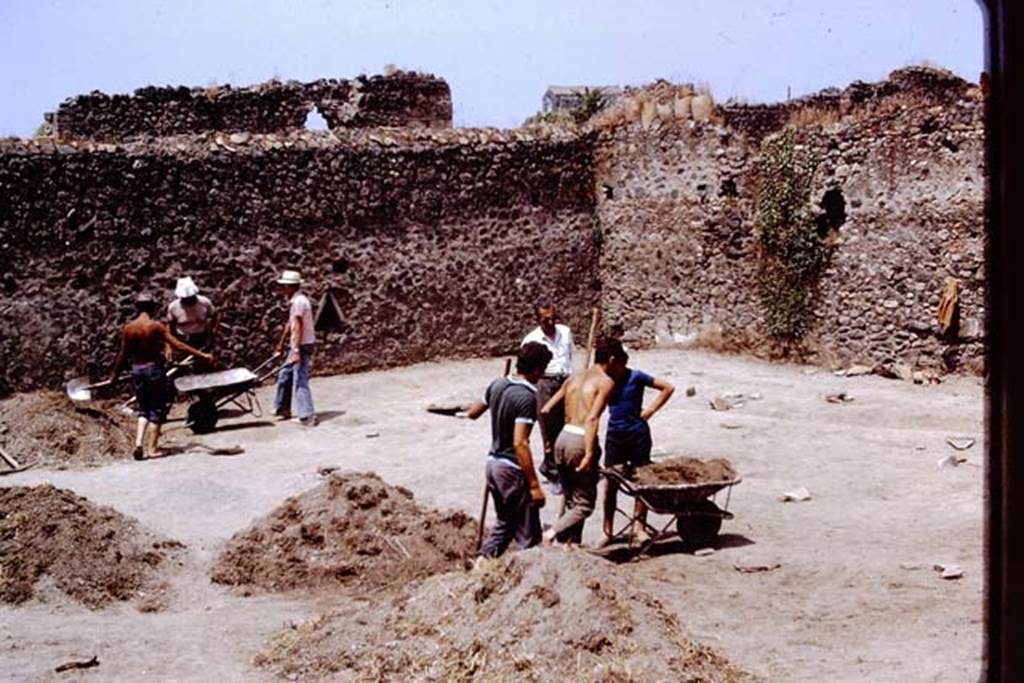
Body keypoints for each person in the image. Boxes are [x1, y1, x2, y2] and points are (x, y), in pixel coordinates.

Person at [464, 342, 552, 558]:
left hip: (493, 465)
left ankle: (482, 564)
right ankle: (529, 578)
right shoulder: (527, 398)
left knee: (505, 525)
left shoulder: (497, 384)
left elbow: (473, 412)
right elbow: (520, 443)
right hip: (511, 468)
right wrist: (534, 485)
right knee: (528, 535)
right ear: (536, 369)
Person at [540, 337, 628, 545]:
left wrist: (548, 441)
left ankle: (570, 544)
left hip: (562, 438)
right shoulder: (606, 382)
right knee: (584, 505)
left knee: (571, 499)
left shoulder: (573, 378)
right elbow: (592, 418)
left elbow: (545, 409)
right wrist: (589, 453)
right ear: (613, 359)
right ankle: (551, 534)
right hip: (580, 440)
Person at [110, 292, 213, 460]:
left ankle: (138, 444)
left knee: (143, 409)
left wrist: (114, 375)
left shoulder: (129, 328)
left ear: (137, 308)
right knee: (157, 410)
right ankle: (152, 449)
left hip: (137, 371)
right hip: (153, 371)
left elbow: (122, 355)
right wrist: (203, 355)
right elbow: (178, 345)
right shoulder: (155, 326)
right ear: (153, 307)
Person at [600, 347, 675, 545]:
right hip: (615, 435)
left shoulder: (636, 376)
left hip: (637, 434)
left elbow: (668, 387)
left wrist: (650, 410)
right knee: (611, 482)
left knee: (642, 482)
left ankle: (639, 528)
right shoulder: (605, 379)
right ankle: (607, 531)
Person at [521, 302, 574, 489]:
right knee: (550, 430)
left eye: (554, 318)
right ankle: (553, 471)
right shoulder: (531, 339)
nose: (551, 322)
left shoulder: (565, 332)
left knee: (569, 426)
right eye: (546, 320)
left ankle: (569, 467)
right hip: (545, 383)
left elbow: (569, 356)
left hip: (566, 381)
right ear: (538, 320)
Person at [273, 269, 317, 426]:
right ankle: (282, 408)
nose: (282, 289)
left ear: (292, 287)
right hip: (296, 343)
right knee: (285, 374)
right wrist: (281, 343)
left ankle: (307, 415)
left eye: (284, 286)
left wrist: (296, 350)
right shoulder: (295, 301)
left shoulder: (299, 302)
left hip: (302, 345)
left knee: (300, 379)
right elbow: (290, 324)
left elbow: (298, 326)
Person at [167, 276, 217, 352]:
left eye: (191, 297)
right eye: (185, 298)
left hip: (201, 337)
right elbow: (170, 325)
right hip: (183, 339)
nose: (188, 300)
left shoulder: (205, 303)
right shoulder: (173, 307)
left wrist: (210, 337)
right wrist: (171, 344)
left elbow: (214, 317)